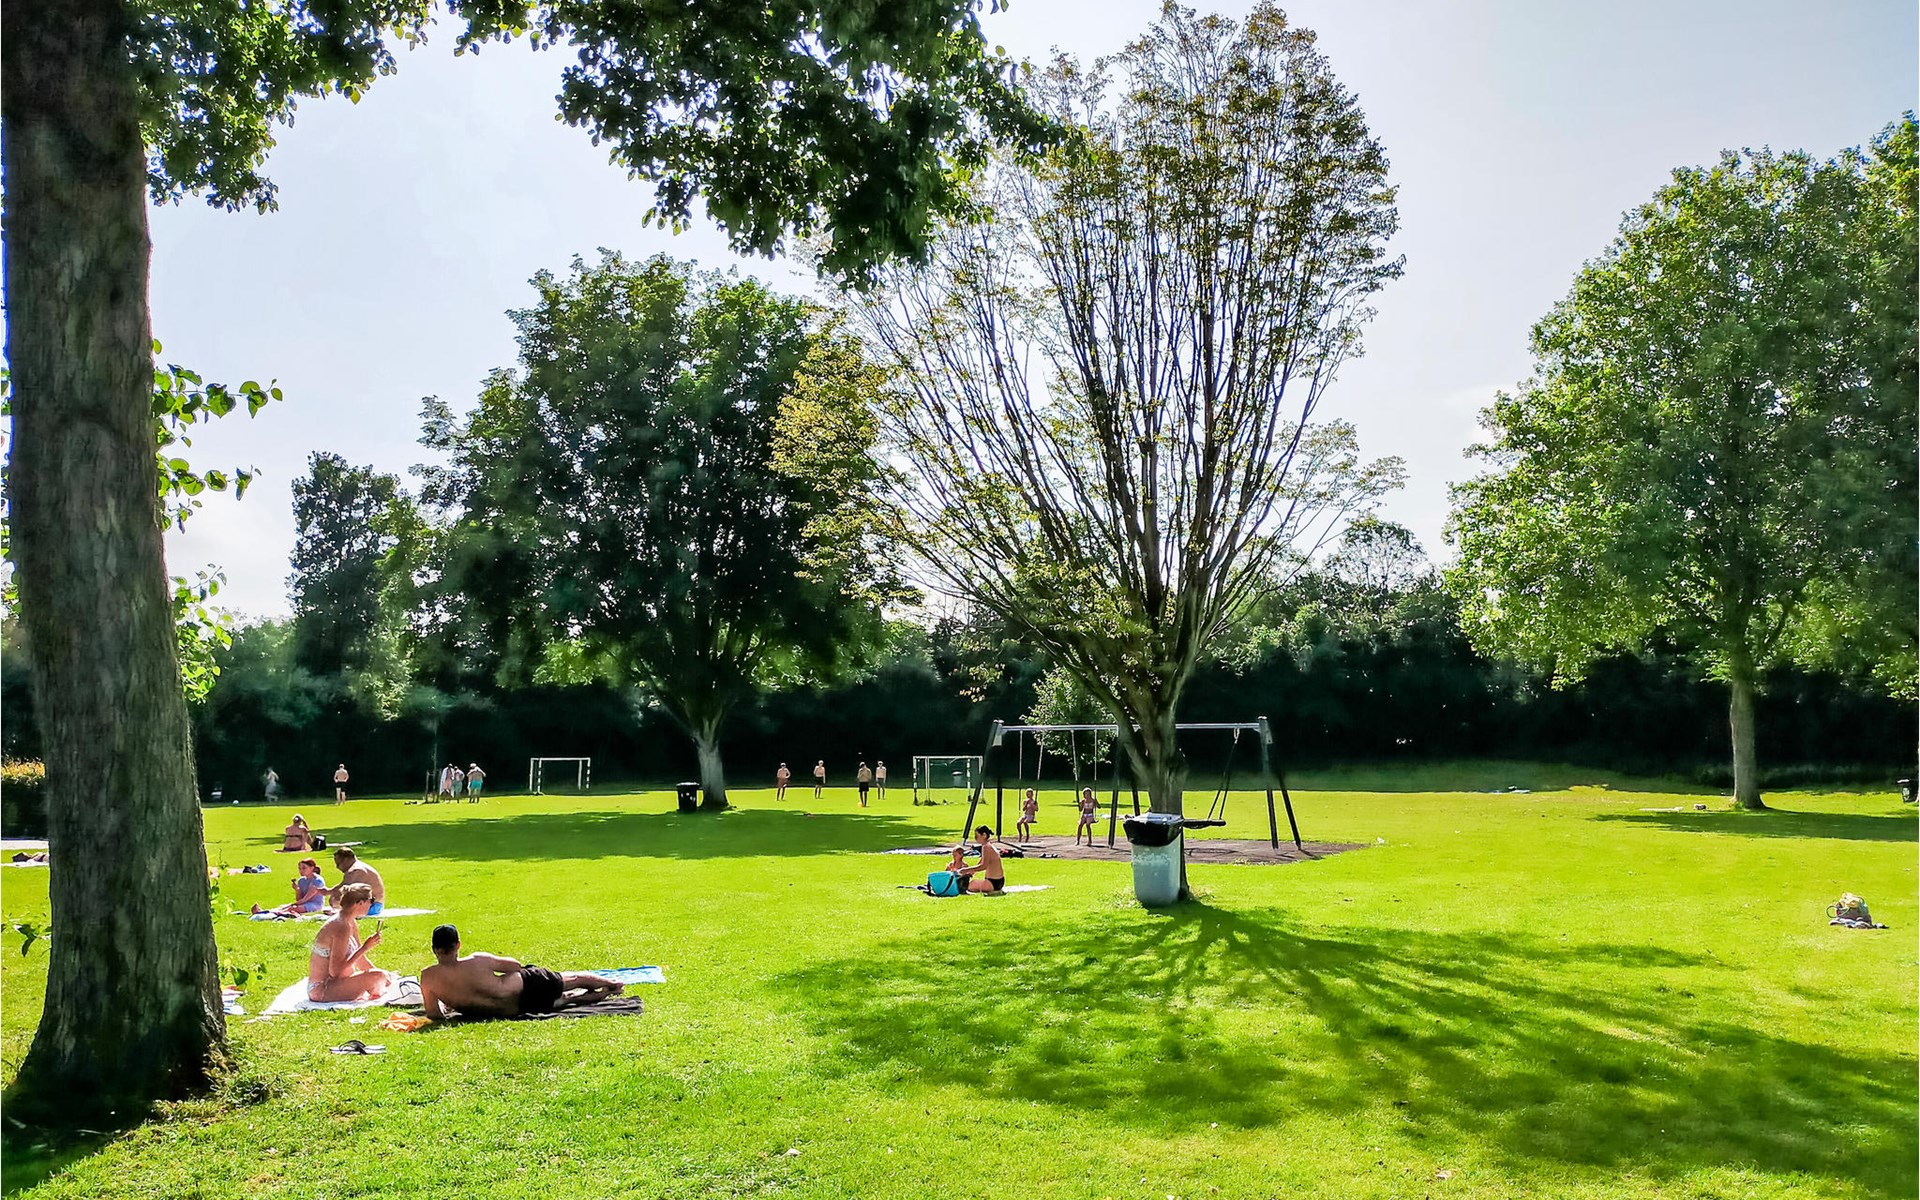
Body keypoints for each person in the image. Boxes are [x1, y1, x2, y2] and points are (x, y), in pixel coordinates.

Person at [419, 924, 624, 1019]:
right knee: (572, 979)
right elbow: (515, 966)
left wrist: (448, 1003)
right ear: (458, 945)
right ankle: (613, 984)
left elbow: (433, 1013)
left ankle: (605, 992)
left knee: (568, 999)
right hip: (524, 987)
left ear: (434, 949)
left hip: (513, 1009)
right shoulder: (477, 961)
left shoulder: (429, 977)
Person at [306, 883, 392, 1002]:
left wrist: (383, 976)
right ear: (360, 903)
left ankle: (376, 986)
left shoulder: (349, 921)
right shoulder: (341, 926)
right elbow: (336, 972)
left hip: (335, 983)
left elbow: (360, 960)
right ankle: (375, 992)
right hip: (322, 989)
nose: (371, 904)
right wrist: (365, 948)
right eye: (371, 900)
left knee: (382, 975)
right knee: (378, 977)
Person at [253, 857, 327, 915]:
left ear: (312, 868)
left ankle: (265, 912)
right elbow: (299, 899)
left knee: (291, 908)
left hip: (315, 905)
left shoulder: (317, 881)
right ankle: (265, 912)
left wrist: (291, 905)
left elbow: (305, 899)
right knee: (284, 907)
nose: (301, 871)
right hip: (304, 903)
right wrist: (297, 890)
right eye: (299, 868)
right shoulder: (301, 880)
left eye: (304, 868)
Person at [329, 848, 387, 916]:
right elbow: (341, 886)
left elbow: (344, 892)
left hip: (373, 907)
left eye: (338, 863)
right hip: (374, 905)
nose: (337, 867)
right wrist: (328, 892)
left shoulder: (357, 870)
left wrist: (334, 900)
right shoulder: (357, 867)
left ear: (346, 860)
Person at [954, 825, 1006, 894]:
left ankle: (992, 890)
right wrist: (972, 871)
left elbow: (983, 866)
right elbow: (982, 861)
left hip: (992, 882)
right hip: (999, 881)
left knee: (968, 886)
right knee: (971, 883)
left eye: (977, 836)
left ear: (984, 835)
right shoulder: (989, 845)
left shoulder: (986, 847)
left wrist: (965, 870)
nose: (975, 838)